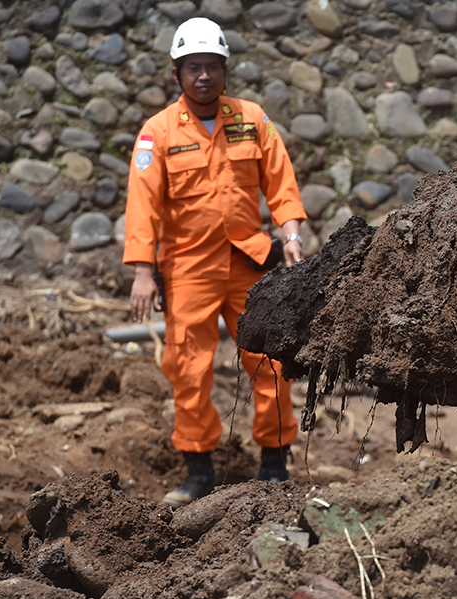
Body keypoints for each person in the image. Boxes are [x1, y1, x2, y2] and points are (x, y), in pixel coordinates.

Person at [123, 17, 307, 508]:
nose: (203, 76)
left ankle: (273, 463)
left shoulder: (251, 119)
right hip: (187, 269)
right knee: (188, 368)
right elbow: (143, 204)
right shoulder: (157, 132)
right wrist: (144, 271)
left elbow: (281, 182)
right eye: (193, 68)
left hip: (250, 263)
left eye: (212, 67)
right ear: (177, 72)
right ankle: (199, 471)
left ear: (225, 70)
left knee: (269, 360)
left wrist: (290, 232)